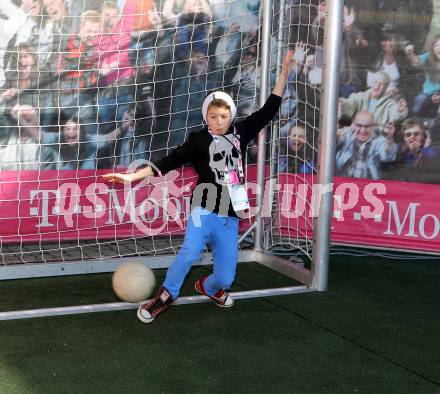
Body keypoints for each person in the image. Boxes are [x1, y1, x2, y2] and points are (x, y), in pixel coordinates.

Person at [103, 50, 296, 323]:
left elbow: (269, 109)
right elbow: (166, 162)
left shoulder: (241, 133)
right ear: (206, 117)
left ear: (231, 116)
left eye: (224, 116)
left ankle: (208, 287)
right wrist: (130, 178)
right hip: (203, 208)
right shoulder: (197, 141)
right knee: (190, 251)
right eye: (214, 116)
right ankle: (165, 296)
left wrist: (285, 71)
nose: (219, 121)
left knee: (226, 277)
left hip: (231, 215)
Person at [335, 110, 397, 180]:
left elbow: (388, 157)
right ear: (354, 125)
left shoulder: (379, 140)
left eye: (367, 126)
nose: (362, 130)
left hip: (369, 186)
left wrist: (389, 138)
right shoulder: (346, 134)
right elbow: (333, 141)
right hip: (344, 182)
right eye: (359, 125)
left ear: (373, 126)